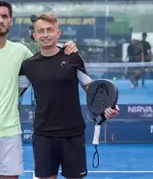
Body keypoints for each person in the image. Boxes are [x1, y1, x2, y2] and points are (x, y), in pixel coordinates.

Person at [0, 1, 79, 179]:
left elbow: (47, 56)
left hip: (11, 133)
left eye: (5, 16)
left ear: (11, 21)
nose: (0, 20)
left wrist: (67, 47)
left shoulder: (21, 52)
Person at [19, 13, 120, 179]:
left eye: (50, 30)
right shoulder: (28, 66)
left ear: (58, 33)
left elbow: (91, 89)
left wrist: (107, 108)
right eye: (41, 31)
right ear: (35, 36)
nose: (45, 35)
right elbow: (14, 93)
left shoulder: (73, 57)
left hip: (72, 133)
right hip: (43, 134)